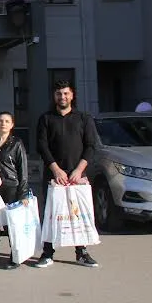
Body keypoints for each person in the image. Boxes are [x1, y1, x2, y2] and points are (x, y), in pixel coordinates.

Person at [35, 80, 101, 268]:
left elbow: (91, 146)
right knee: (50, 213)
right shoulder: (46, 118)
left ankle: (82, 252)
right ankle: (47, 252)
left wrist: (79, 170)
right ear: (54, 96)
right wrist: (55, 169)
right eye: (58, 94)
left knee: (78, 214)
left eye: (65, 93)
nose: (62, 97)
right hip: (53, 176)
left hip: (76, 176)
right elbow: (42, 146)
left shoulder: (83, 118)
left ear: (72, 95)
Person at [0, 111, 30, 269]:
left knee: (12, 224)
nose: (3, 123)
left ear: (12, 125)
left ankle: (15, 255)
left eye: (6, 121)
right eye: (0, 121)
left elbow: (22, 169)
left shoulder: (16, 143)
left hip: (12, 187)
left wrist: (23, 193)